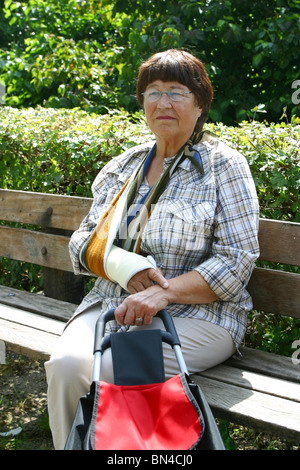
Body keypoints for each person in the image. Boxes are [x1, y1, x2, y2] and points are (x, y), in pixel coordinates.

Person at [45, 49, 260, 450]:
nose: (163, 102)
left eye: (177, 92)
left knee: (106, 369)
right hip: (111, 304)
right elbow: (81, 244)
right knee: (66, 367)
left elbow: (237, 260)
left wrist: (162, 292)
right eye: (153, 92)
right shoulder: (123, 167)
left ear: (200, 105)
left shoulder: (224, 166)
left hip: (199, 314)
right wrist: (122, 268)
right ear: (142, 102)